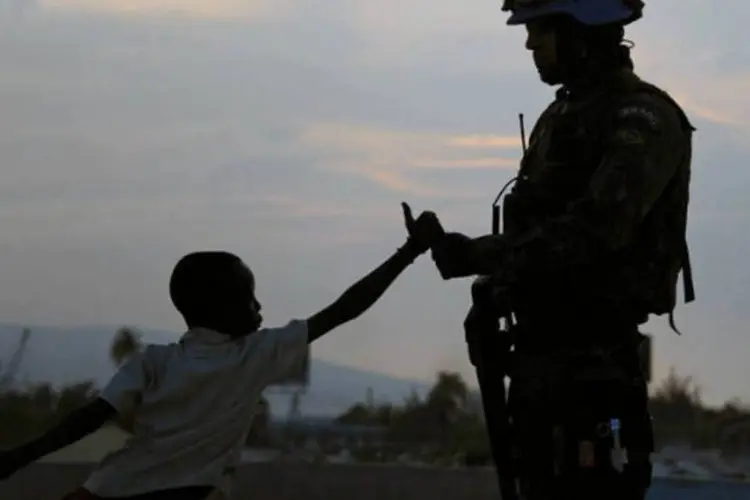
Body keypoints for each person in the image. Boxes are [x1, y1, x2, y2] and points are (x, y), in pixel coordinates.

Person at [422, 0, 695, 499]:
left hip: (595, 373)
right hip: (537, 368)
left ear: (582, 30)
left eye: (541, 30)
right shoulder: (560, 118)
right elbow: (539, 234)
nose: (530, 44)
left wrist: (484, 256)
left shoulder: (643, 118)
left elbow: (595, 229)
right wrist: (496, 292)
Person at [0, 203, 443, 500]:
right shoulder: (256, 355)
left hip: (111, 489)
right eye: (249, 297)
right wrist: (408, 253)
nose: (259, 306)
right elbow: (345, 308)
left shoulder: (152, 362)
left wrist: (18, 458)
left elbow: (89, 417)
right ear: (221, 306)